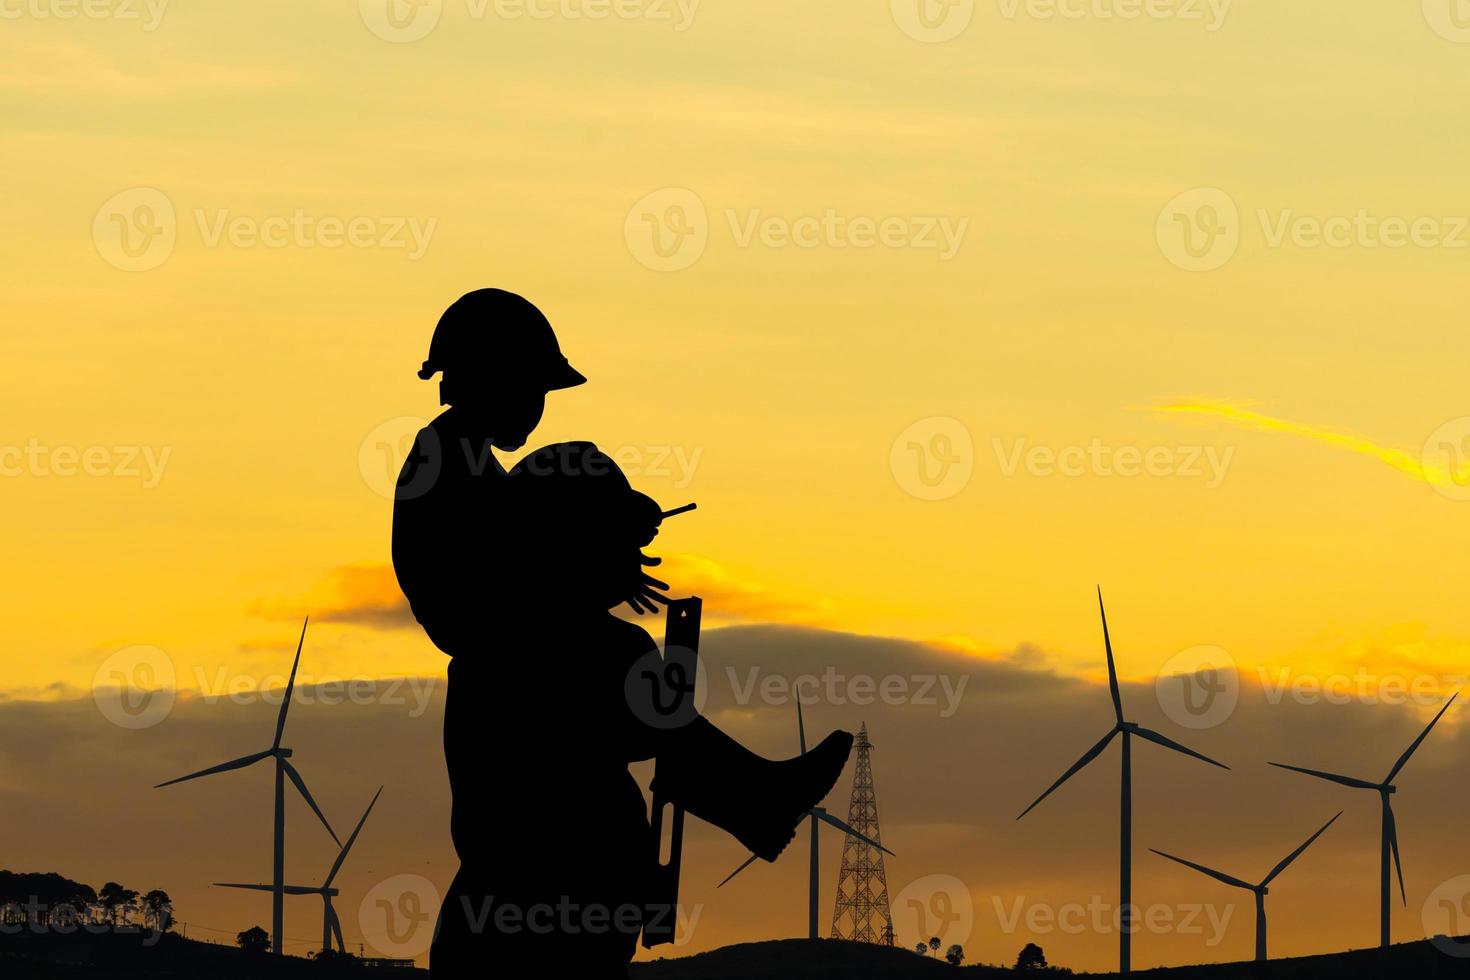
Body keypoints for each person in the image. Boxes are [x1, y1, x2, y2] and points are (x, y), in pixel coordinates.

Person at [391, 293, 852, 979]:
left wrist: (599, 530)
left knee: (633, 678)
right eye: (531, 389)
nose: (537, 408)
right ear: (489, 376)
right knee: (629, 666)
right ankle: (756, 800)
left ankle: (756, 800)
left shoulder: (469, 463)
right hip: (523, 675)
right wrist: (599, 520)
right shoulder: (446, 463)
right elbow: (506, 553)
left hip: (552, 835)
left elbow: (527, 537)